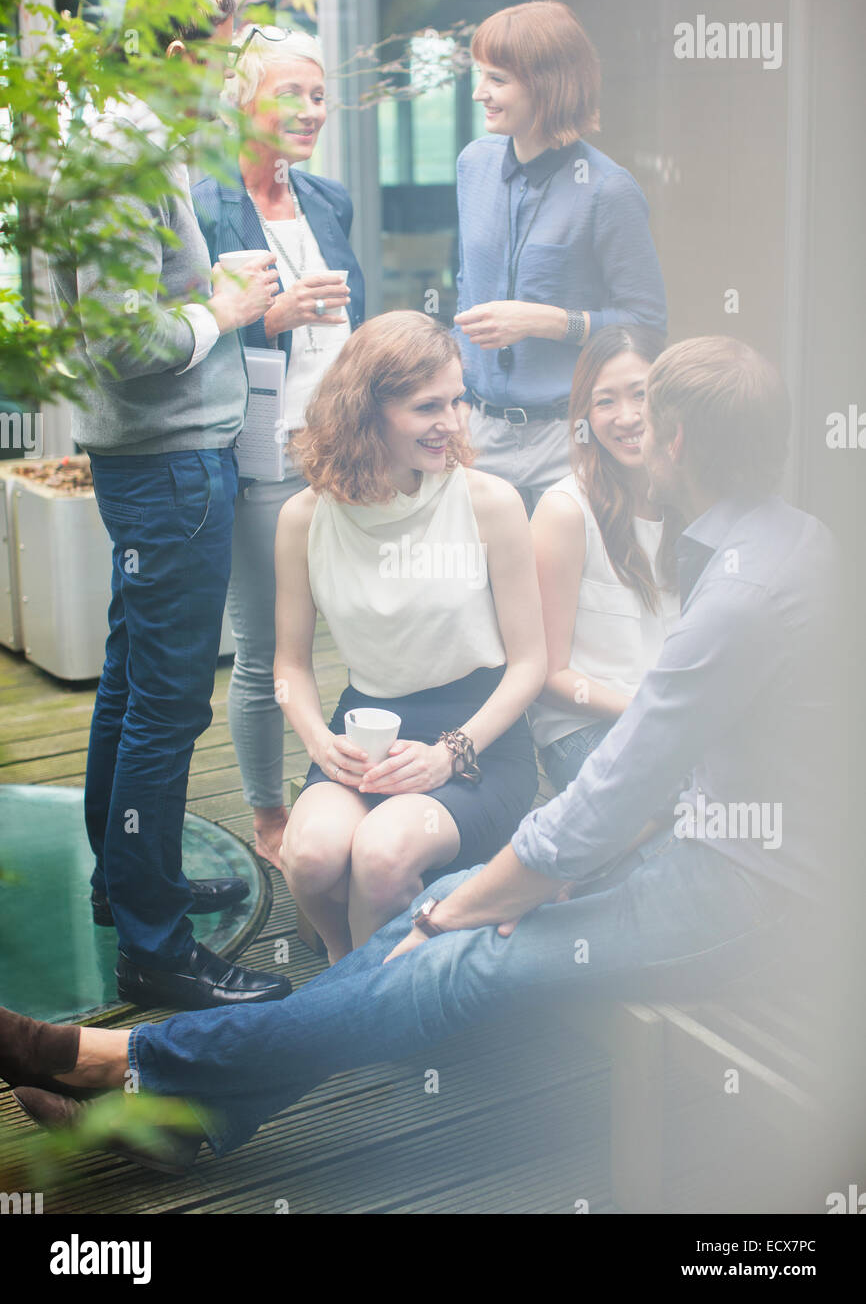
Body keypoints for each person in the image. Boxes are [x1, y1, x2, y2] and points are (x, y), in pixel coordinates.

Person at [0, 337, 837, 1176]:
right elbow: (679, 773)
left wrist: (493, 888)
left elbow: (626, 778)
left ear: (680, 441)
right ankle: (190, 1110)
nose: (631, 436)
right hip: (692, 845)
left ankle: (120, 1060)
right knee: (441, 907)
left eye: (649, 420)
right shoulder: (781, 543)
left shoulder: (740, 593)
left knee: (454, 945)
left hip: (747, 899)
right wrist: (502, 882)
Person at [47, 0, 293, 1011]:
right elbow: (125, 340)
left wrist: (207, 297)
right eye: (233, 51)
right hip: (169, 464)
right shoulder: (123, 150)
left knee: (131, 674)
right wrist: (225, 312)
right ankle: (156, 944)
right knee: (164, 705)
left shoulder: (112, 136)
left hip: (150, 463)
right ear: (187, 51)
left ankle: (124, 879)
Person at [273, 310, 544, 960]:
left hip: (479, 737)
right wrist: (320, 742)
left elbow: (531, 664)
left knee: (382, 856)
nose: (452, 422)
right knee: (308, 857)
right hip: (364, 732)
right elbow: (289, 667)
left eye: (459, 400)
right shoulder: (303, 518)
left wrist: (451, 752)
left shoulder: (490, 502)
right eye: (429, 407)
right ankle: (349, 968)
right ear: (367, 413)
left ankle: (359, 1011)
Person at [192, 25, 365, 871]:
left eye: (320, 94)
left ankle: (348, 779)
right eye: (290, 93)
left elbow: (357, 323)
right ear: (241, 101)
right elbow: (185, 346)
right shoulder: (201, 202)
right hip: (260, 459)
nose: (311, 110)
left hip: (344, 453)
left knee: (357, 625)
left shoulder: (329, 201)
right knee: (265, 647)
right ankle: (268, 818)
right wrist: (270, 318)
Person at [453, 0, 667, 514]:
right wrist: (453, 402)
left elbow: (647, 326)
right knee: (479, 592)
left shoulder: (609, 189)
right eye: (482, 76)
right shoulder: (472, 165)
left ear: (547, 85)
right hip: (476, 435)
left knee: (563, 594)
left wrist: (547, 321)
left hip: (566, 441)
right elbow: (465, 288)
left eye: (497, 79)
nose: (480, 92)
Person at [530, 325, 680, 793]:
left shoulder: (690, 502)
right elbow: (547, 674)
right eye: (605, 401)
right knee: (671, 801)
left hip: (673, 719)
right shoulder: (565, 511)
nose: (628, 417)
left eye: (641, 394)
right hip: (585, 730)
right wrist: (648, 709)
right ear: (585, 417)